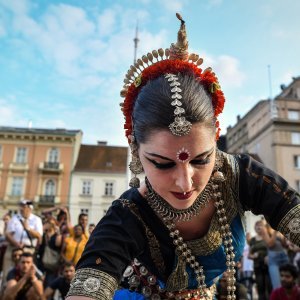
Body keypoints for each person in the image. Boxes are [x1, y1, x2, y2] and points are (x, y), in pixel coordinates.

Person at [66, 13, 300, 300]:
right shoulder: (129, 215)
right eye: (163, 164)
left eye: (201, 159)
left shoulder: (242, 176)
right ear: (135, 148)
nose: (185, 181)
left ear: (216, 135)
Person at [2, 200, 43, 286]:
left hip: (28, 249)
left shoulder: (36, 219)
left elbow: (39, 235)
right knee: (7, 271)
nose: (22, 208)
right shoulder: (15, 218)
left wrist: (28, 228)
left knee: (27, 271)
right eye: (21, 206)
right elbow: (8, 234)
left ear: (30, 208)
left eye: (24, 206)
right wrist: (16, 243)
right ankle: (6, 291)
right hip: (13, 247)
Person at [248, 220, 272, 300]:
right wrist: (253, 256)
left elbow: (272, 248)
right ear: (254, 227)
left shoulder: (268, 236)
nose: (258, 227)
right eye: (257, 225)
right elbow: (249, 255)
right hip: (257, 265)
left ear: (264, 227)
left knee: (269, 286)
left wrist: (269, 256)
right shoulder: (253, 240)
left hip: (268, 264)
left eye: (260, 225)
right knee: (260, 286)